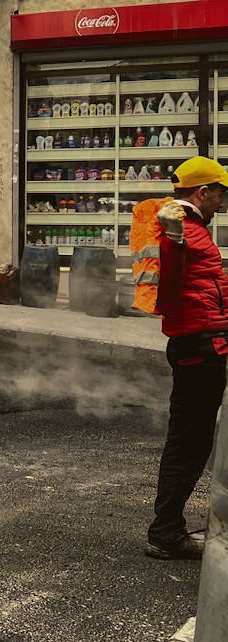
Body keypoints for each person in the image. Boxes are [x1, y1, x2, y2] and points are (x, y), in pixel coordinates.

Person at [146, 155, 228, 560]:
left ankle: (168, 529)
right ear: (203, 191)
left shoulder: (192, 230)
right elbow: (173, 288)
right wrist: (174, 236)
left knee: (192, 440)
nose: (224, 201)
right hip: (199, 348)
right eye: (221, 193)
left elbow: (208, 290)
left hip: (205, 343)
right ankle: (165, 533)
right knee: (189, 443)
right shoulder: (179, 231)